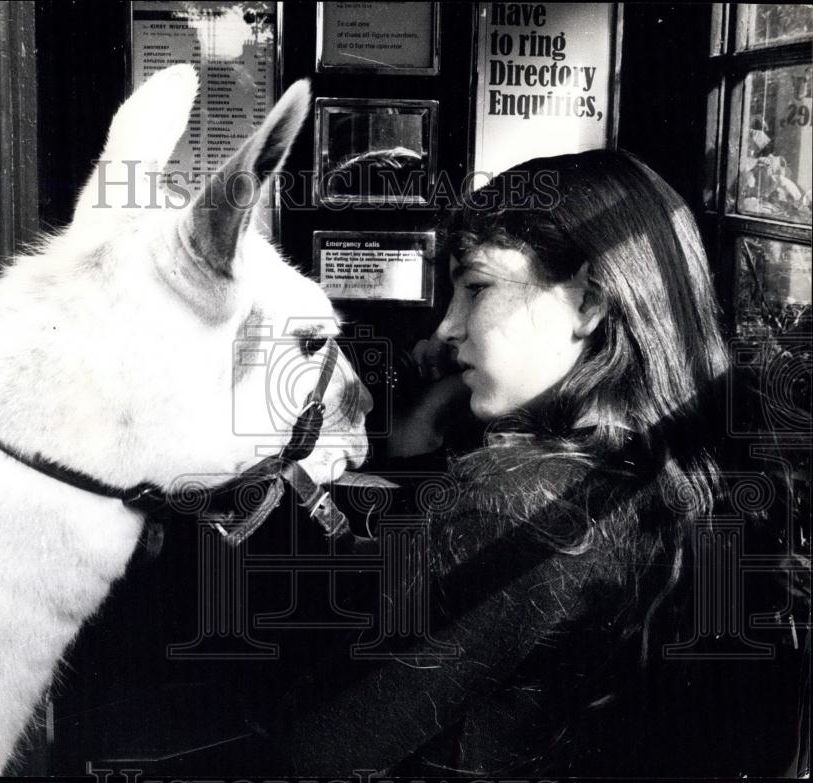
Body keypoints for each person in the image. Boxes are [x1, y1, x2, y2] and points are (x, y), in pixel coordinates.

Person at [253, 149, 807, 777]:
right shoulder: (700, 467)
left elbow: (314, 747)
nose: (448, 327)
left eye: (477, 288)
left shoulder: (511, 501)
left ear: (590, 303)